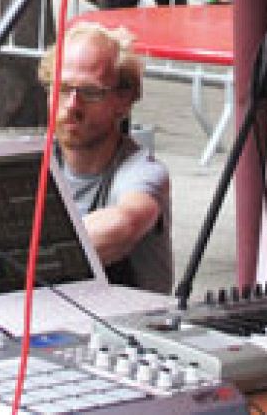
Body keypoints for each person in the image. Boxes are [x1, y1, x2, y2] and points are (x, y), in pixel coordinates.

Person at [40, 23, 173, 293]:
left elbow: (122, 227)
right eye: (63, 89)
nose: (72, 105)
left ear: (122, 101)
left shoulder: (142, 172)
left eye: (90, 92)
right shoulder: (34, 161)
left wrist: (20, 259)